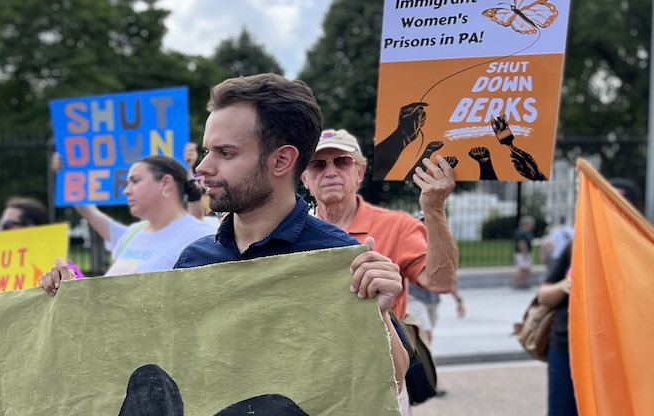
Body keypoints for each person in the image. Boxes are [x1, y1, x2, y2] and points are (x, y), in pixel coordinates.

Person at [44, 74, 409, 385]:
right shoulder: (196, 258)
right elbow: (156, 353)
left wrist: (379, 314)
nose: (203, 167)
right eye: (206, 151)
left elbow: (390, 381)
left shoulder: (335, 257)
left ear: (282, 159)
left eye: (226, 153)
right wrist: (78, 300)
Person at [300, 129, 459, 321]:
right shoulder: (293, 233)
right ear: (304, 179)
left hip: (382, 348)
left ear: (359, 172)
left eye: (342, 161)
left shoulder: (399, 226)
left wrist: (434, 208)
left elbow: (440, 282)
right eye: (318, 165)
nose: (331, 172)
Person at [69, 155, 217, 276]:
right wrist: (68, 172)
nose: (126, 191)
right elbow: (89, 211)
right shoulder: (134, 232)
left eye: (135, 181)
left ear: (166, 183)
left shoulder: (201, 237)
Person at [511, 244, 575, 416]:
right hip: (566, 345)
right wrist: (567, 284)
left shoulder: (635, 237)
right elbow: (545, 294)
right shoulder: (577, 244)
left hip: (618, 350)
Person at [512, 215, 536, 289]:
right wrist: (525, 253)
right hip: (522, 253)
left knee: (526, 268)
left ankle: (524, 283)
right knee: (521, 268)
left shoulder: (526, 232)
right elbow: (521, 243)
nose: (532, 226)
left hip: (525, 253)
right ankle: (517, 283)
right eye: (531, 224)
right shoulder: (521, 232)